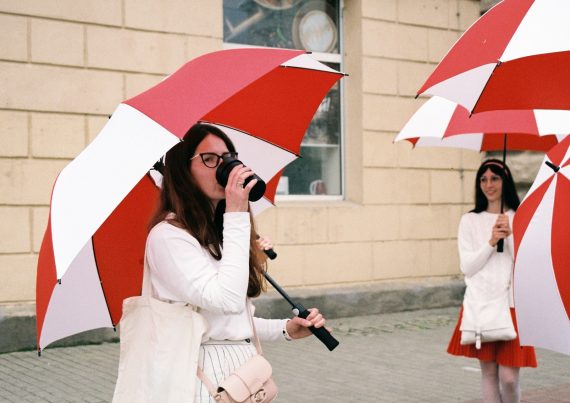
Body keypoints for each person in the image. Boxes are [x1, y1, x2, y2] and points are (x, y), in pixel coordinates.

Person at [146, 123, 327, 401]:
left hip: (243, 373)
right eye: (209, 159)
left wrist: (285, 329)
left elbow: (234, 320)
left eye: (229, 156)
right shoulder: (168, 237)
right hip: (200, 376)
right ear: (183, 171)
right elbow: (226, 301)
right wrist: (236, 213)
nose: (225, 167)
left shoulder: (217, 234)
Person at [447, 159, 537, 403]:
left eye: (495, 178)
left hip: (511, 305)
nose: (489, 184)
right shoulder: (469, 220)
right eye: (483, 179)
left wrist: (509, 238)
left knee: (508, 378)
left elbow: (526, 265)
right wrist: (490, 242)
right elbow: (468, 267)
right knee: (488, 373)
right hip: (480, 303)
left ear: (505, 181)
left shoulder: (518, 218)